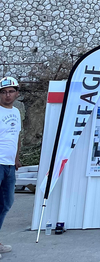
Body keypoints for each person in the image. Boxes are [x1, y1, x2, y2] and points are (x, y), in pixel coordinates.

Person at [0, 77, 21, 256]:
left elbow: (17, 137)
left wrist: (16, 158)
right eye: (4, 92)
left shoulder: (16, 112)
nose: (7, 95)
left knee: (7, 203)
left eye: (11, 91)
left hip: (9, 165)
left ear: (17, 94)